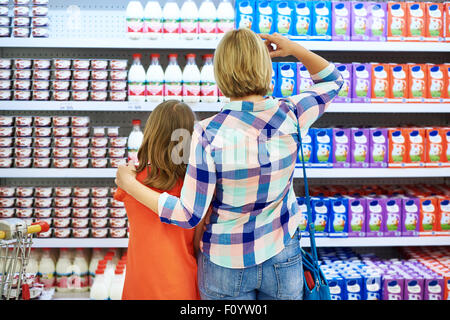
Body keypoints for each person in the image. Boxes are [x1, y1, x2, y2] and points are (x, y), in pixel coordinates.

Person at [115, 30, 343, 300]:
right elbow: (332, 80)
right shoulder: (291, 113)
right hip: (282, 254)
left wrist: (129, 184)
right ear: (266, 69)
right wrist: (294, 49)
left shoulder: (206, 133)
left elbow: (189, 214)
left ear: (220, 75)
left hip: (225, 263)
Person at [114, 100, 203, 300]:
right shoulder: (195, 186)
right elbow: (198, 245)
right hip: (180, 284)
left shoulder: (132, 180)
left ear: (151, 135)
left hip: (139, 284)